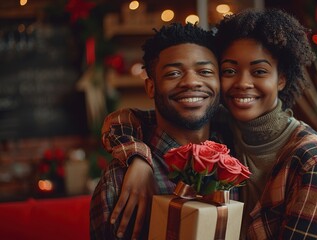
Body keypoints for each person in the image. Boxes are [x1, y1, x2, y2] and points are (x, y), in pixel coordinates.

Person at [102, 8, 317, 239]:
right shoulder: (221, 127)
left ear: (282, 78)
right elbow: (126, 118)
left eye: (259, 71)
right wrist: (137, 157)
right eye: (230, 71)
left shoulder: (313, 158)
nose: (243, 82)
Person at [89, 22, 222, 239]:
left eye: (205, 71)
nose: (191, 82)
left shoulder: (234, 154)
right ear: (151, 87)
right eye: (174, 74)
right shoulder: (121, 178)